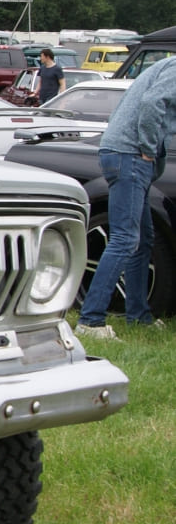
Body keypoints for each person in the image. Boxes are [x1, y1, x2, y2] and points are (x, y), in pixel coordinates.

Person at [75, 54, 176, 339]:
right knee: (124, 239)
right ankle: (90, 321)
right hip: (130, 156)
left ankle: (139, 315)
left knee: (142, 239)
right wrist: (147, 146)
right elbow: (151, 103)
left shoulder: (167, 66)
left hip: (123, 154)